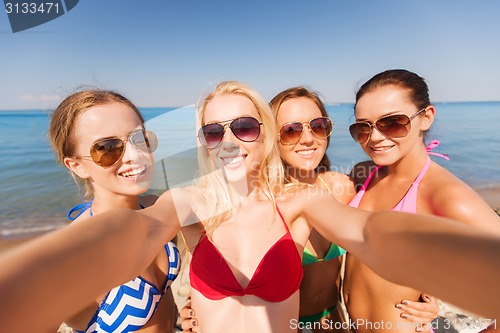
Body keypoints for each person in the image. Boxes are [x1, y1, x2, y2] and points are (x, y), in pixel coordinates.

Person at [1, 81, 497, 332]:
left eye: (245, 126)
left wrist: (471, 271)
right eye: (214, 131)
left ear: (264, 131)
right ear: (203, 140)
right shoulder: (186, 202)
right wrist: (22, 285)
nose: (230, 142)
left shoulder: (302, 200)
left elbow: (371, 235)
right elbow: (133, 235)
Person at [180, 86, 438, 333]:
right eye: (291, 130)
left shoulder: (346, 186)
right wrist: (201, 308)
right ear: (269, 135)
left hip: (334, 319)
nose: (307, 139)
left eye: (318, 126)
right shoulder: (262, 204)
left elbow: (410, 205)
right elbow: (213, 265)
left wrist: (427, 291)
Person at [344, 69, 500, 333]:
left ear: (425, 117)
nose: (375, 137)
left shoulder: (447, 196)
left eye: (392, 122)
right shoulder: (364, 173)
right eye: (363, 127)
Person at [48, 90, 181, 333]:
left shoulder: (152, 207)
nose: (134, 155)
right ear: (76, 166)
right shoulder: (76, 253)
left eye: (139, 139)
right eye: (108, 148)